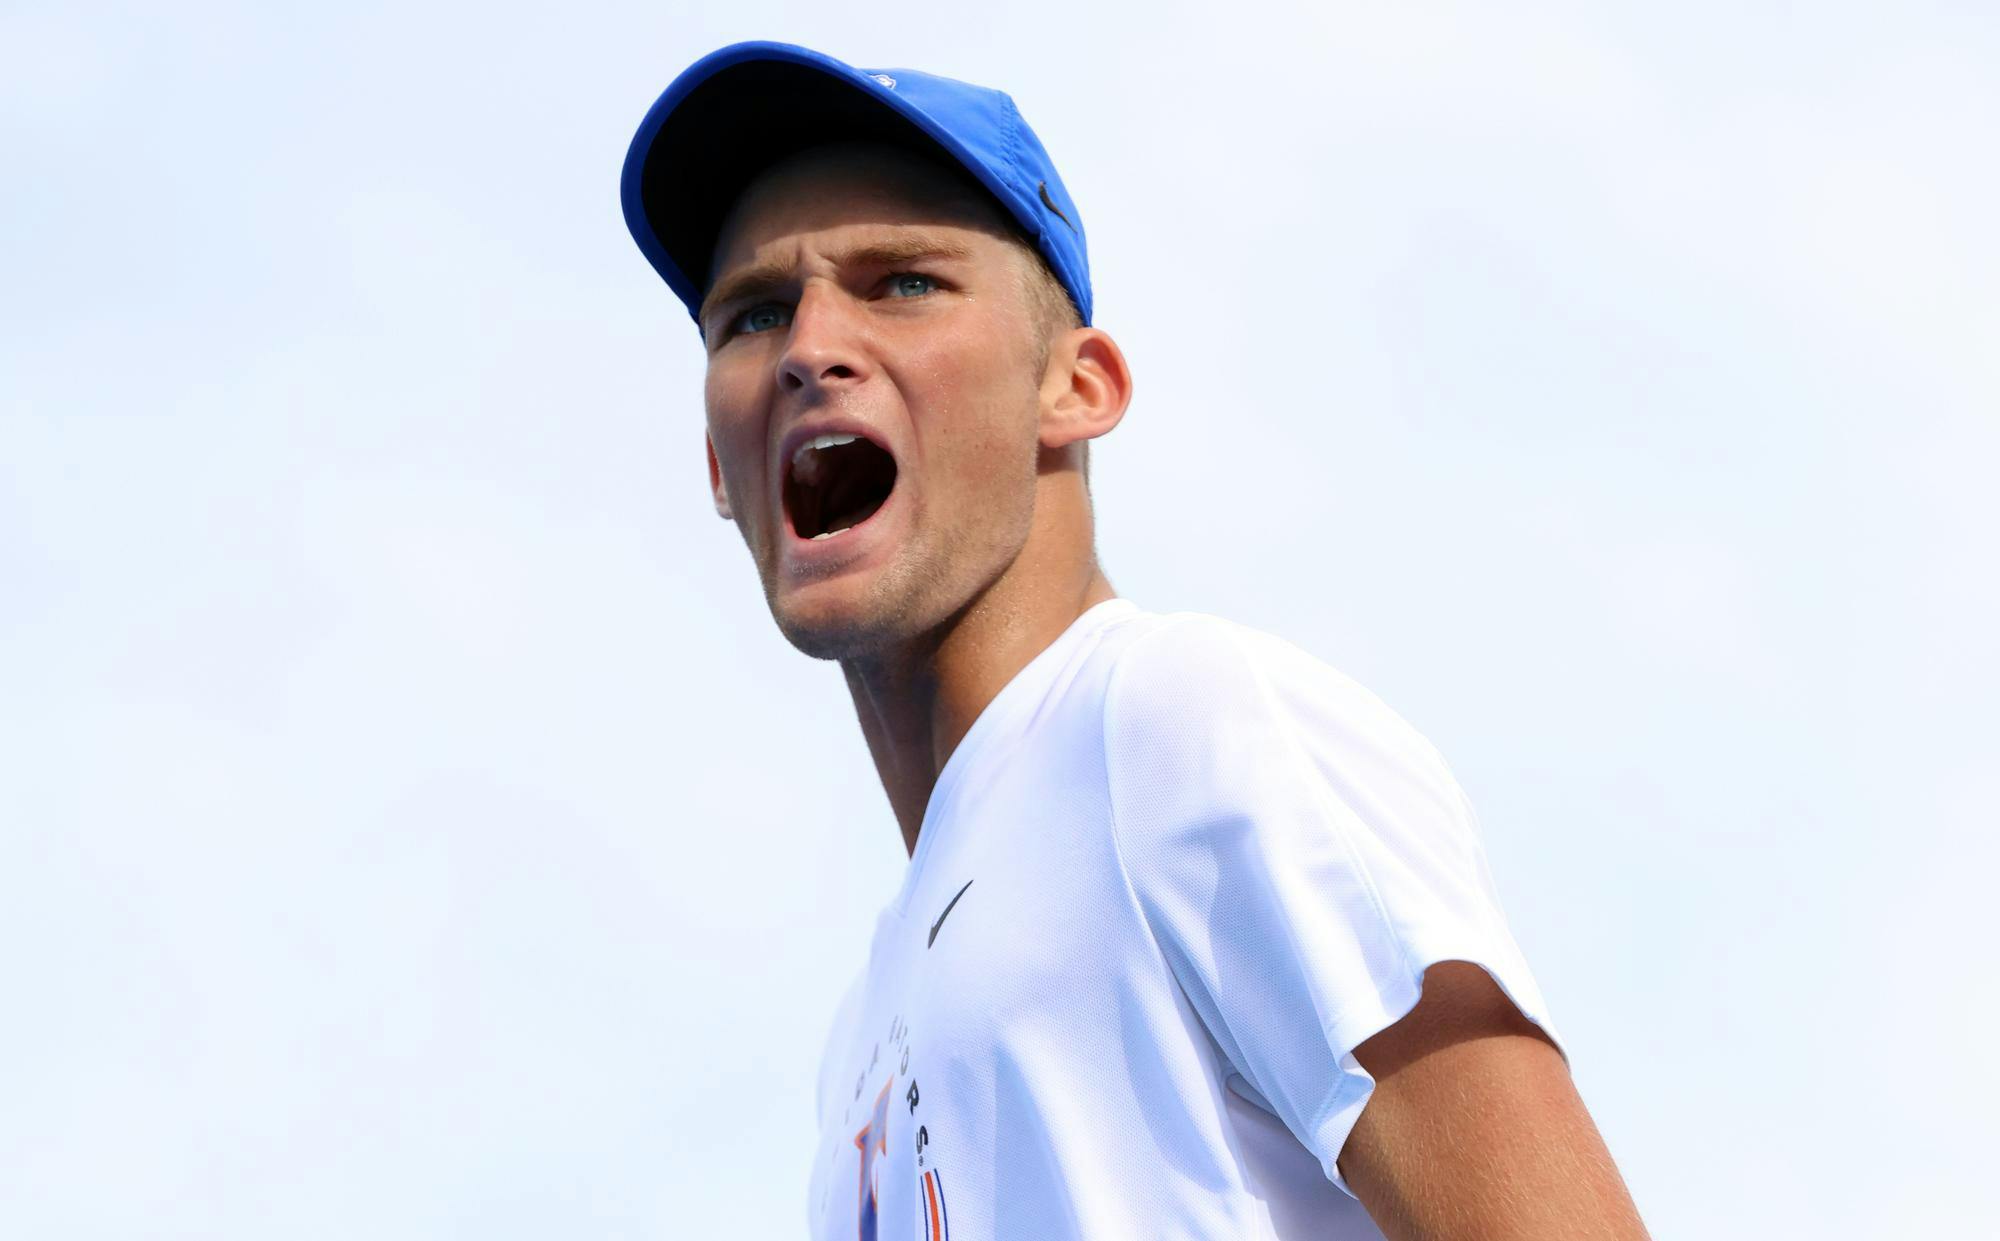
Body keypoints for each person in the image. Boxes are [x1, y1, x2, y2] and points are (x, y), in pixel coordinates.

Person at [621, 40, 1650, 1241]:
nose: (808, 346)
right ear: (716, 467)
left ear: (1078, 387)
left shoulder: (1178, 717)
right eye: (753, 313)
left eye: (902, 282)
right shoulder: (857, 1038)